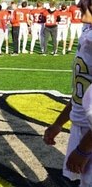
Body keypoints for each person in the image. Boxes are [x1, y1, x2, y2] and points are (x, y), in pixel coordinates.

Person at [44, 27, 92, 186]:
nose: (80, 3)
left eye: (88, 0)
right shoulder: (87, 30)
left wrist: (83, 149)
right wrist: (59, 123)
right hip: (82, 128)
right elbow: (80, 93)